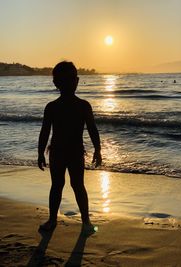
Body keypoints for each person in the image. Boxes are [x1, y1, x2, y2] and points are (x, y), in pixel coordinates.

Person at [38, 61, 102, 231]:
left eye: (73, 78)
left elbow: (92, 129)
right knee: (59, 185)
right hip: (58, 152)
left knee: (76, 185)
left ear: (77, 80)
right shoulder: (53, 107)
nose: (72, 82)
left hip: (74, 152)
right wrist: (40, 153)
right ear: (57, 83)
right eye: (67, 79)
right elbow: (44, 132)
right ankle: (54, 220)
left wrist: (98, 149)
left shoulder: (82, 105)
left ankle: (85, 221)